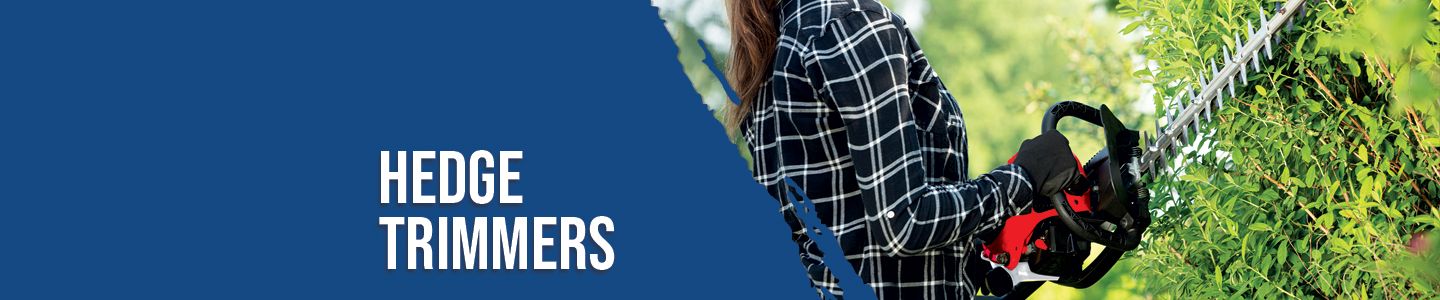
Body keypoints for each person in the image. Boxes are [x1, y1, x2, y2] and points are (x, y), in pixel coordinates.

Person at [725, 0, 1081, 298]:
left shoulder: (773, 49)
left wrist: (980, 256)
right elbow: (904, 222)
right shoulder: (854, 27)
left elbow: (847, 229)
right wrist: (1024, 177)